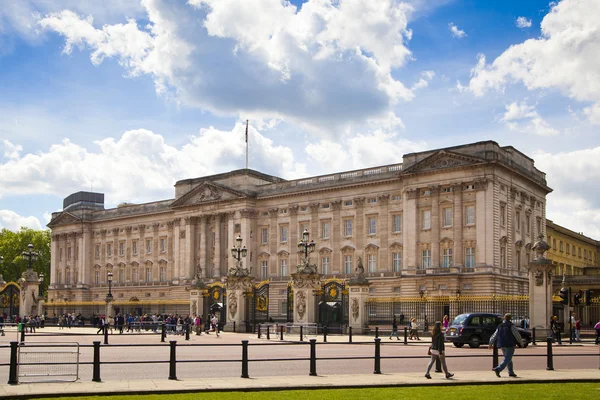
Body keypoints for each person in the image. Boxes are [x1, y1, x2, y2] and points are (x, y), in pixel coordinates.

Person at [489, 313, 524, 378]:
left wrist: (490, 343)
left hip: (502, 343)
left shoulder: (500, 325)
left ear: (504, 318)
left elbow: (494, 335)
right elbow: (517, 335)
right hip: (510, 343)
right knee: (508, 358)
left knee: (508, 359)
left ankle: (511, 372)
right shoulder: (511, 325)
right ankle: (498, 369)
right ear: (510, 318)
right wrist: (521, 343)